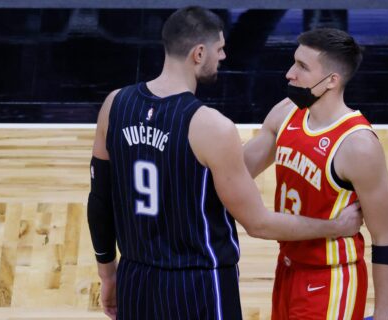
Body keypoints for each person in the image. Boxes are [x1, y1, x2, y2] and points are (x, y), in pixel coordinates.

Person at [87, 7, 363, 320]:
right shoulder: (212, 127)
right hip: (198, 285)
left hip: (136, 278)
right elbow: (258, 223)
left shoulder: (114, 104)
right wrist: (335, 226)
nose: (223, 56)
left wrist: (108, 273)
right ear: (199, 53)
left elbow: (99, 201)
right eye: (219, 49)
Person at [243, 28, 388, 319]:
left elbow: (385, 237)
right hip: (287, 267)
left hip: (331, 279)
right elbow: (238, 171)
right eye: (294, 62)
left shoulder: (358, 145)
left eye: (302, 67)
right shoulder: (285, 112)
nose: (290, 73)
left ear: (332, 81)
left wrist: (384, 313)